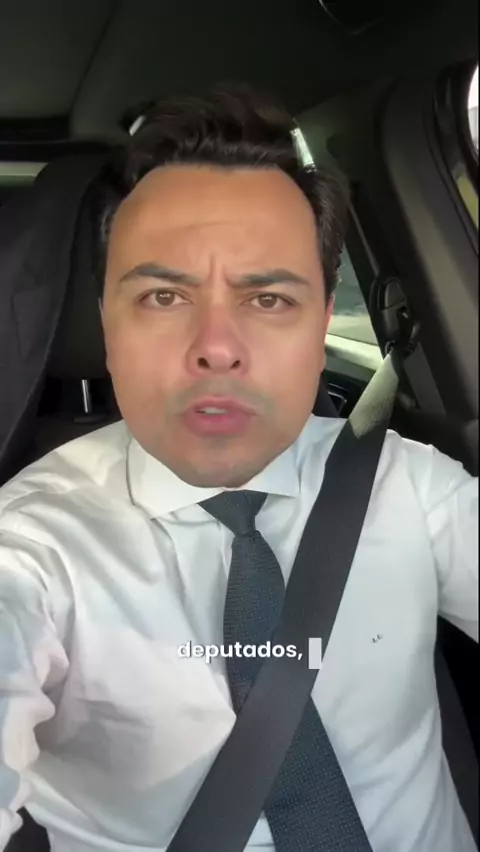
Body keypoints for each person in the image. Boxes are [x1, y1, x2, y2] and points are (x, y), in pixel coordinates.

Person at [0, 85, 478, 852]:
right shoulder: (29, 545)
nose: (217, 348)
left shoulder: (411, 487)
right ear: (107, 324)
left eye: (269, 299)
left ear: (323, 323)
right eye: (163, 295)